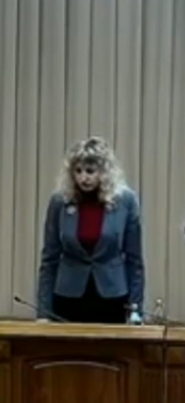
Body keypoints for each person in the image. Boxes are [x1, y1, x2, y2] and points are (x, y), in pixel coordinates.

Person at [37, 136, 144, 324]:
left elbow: (134, 261)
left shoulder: (126, 201)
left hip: (112, 296)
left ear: (105, 172)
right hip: (68, 295)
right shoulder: (59, 201)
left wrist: (136, 310)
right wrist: (43, 312)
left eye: (90, 171)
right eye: (78, 171)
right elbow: (49, 259)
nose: (83, 177)